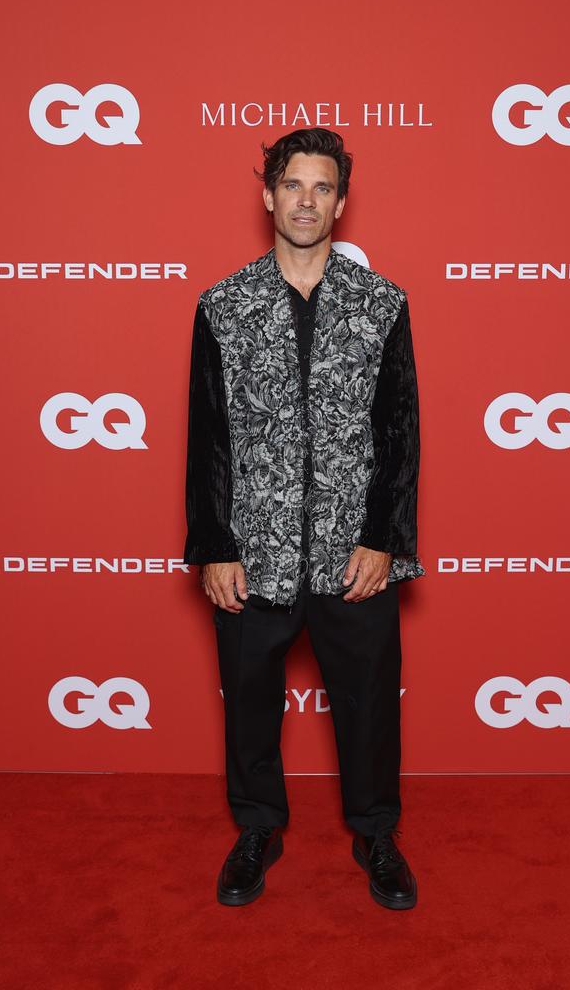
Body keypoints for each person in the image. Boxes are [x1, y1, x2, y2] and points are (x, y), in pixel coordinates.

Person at [183, 128, 425, 910]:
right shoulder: (223, 306)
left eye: (323, 188)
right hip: (253, 548)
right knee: (248, 701)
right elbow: (207, 433)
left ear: (342, 202)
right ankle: (257, 829)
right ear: (269, 194)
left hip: (351, 554)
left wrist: (384, 538)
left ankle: (376, 833)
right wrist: (214, 544)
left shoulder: (382, 303)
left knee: (367, 702)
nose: (307, 200)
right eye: (294, 185)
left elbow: (399, 430)